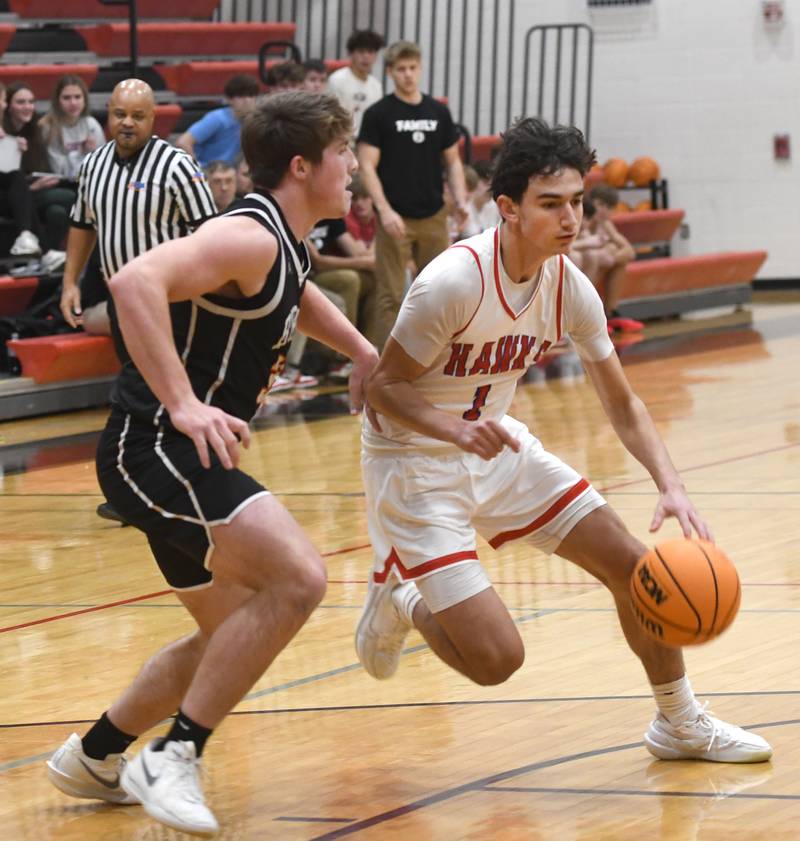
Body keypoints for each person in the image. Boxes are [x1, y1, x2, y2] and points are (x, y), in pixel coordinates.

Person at [356, 117, 772, 769]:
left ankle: (680, 721)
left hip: (496, 445)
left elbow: (622, 401)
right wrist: (454, 429)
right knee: (497, 659)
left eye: (577, 200)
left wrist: (671, 482)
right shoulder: (453, 281)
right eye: (552, 203)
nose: (571, 217)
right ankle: (400, 594)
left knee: (636, 569)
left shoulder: (568, 286)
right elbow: (382, 389)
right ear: (508, 209)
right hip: (414, 463)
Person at [45, 90, 379, 836]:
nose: (352, 167)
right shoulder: (250, 234)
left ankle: (96, 756)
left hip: (174, 451)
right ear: (302, 165)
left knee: (224, 638)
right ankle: (175, 755)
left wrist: (361, 349)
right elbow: (133, 282)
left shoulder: (283, 241)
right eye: (341, 155)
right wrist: (184, 402)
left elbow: (296, 293)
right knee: (299, 578)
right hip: (156, 445)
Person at [59, 79, 217, 338]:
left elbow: (210, 236)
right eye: (120, 114)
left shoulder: (177, 165)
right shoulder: (93, 164)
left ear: (153, 117)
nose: (128, 123)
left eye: (138, 116)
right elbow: (82, 225)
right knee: (139, 375)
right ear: (108, 113)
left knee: (142, 379)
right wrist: (70, 283)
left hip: (173, 302)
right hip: (120, 300)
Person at [357, 40, 468, 350]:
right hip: (396, 215)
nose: (408, 75)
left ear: (420, 69)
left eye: (412, 68)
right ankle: (382, 366)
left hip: (433, 213)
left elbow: (454, 161)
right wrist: (385, 210)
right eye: (401, 69)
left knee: (438, 290)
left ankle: (435, 357)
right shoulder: (379, 114)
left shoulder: (438, 111)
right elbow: (366, 166)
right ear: (391, 72)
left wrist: (460, 200)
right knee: (390, 295)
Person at [4, 81, 69, 270]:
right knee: (69, 197)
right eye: (21, 102)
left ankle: (46, 257)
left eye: (31, 102)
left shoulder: (34, 131)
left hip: (28, 193)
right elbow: (9, 178)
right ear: (8, 106)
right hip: (13, 196)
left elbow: (38, 167)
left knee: (57, 212)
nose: (28, 107)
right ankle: (43, 250)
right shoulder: (4, 135)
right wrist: (31, 187)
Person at [572, 184, 642, 333]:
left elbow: (630, 251)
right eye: (600, 204)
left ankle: (610, 311)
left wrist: (612, 256)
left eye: (608, 207)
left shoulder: (605, 225)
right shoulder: (579, 221)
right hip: (577, 268)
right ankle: (583, 311)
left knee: (616, 258)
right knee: (596, 255)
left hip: (590, 268)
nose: (603, 210)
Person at [0, 81, 47, 262]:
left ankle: (28, 238)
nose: (4, 105)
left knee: (18, 183)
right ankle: (46, 251)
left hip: (12, 191)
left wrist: (13, 150)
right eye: (3, 100)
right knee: (21, 187)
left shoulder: (32, 131)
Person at [176, 73, 259, 167]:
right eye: (241, 96)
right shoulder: (217, 118)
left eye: (251, 95)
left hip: (228, 172)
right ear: (230, 99)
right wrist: (197, 172)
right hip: (207, 171)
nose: (247, 101)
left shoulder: (252, 120)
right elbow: (183, 142)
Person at [39, 74, 105, 182]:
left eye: (77, 97)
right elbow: (60, 172)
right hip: (63, 184)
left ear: (85, 99)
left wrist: (94, 154)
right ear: (57, 101)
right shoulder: (48, 127)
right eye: (66, 98)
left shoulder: (91, 124)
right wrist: (81, 154)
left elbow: (104, 164)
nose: (73, 103)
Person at [327, 29, 385, 137]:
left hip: (368, 142)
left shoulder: (377, 86)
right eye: (361, 51)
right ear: (351, 53)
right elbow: (331, 117)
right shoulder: (337, 80)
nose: (366, 56)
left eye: (370, 52)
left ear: (376, 56)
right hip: (342, 141)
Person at [462, 159, 500, 238]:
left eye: (492, 184)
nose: (490, 188)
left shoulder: (495, 206)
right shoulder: (463, 206)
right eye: (485, 182)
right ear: (473, 181)